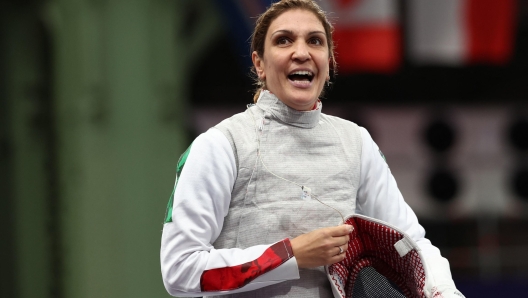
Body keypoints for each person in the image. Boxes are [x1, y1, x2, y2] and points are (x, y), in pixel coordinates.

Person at [161, 0, 463, 297]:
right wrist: (290, 254)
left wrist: (443, 292)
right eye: (284, 40)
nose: (301, 52)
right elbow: (180, 269)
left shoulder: (356, 142)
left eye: (315, 41)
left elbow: (412, 244)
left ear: (329, 64)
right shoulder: (220, 145)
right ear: (259, 64)